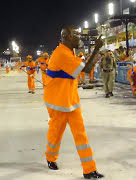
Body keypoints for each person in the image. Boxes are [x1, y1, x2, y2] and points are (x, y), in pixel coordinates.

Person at [44, 26, 104, 179]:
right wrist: (97, 49)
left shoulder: (69, 52)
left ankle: (89, 170)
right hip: (58, 102)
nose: (80, 37)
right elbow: (87, 68)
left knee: (81, 135)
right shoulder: (62, 54)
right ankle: (50, 157)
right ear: (67, 36)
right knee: (56, 134)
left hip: (70, 101)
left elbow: (82, 67)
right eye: (77, 34)